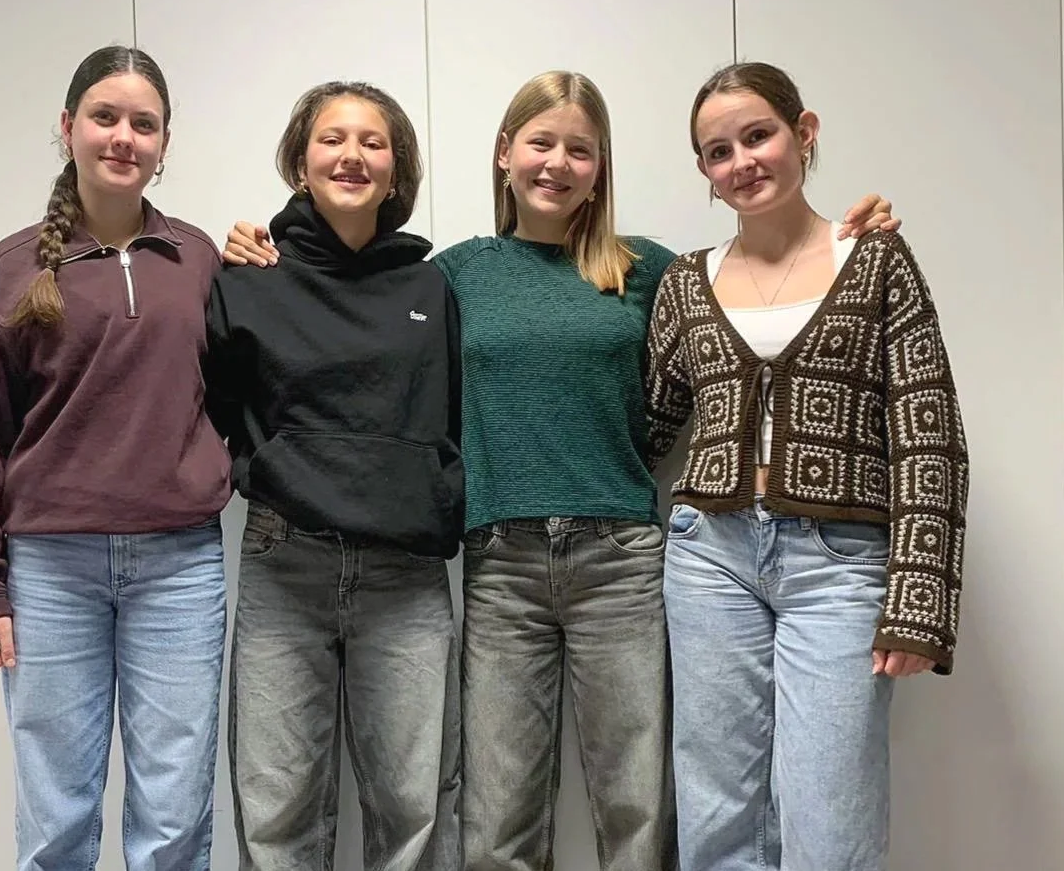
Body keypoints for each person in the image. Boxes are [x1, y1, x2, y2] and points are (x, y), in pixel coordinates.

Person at [222, 70, 898, 871]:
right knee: (496, 817)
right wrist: (261, 244)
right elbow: (357, 300)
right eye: (540, 143)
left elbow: (751, 300)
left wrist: (845, 239)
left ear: (599, 167)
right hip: (499, 563)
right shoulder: (452, 274)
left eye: (579, 149)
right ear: (505, 153)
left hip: (622, 562)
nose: (557, 164)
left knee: (636, 804)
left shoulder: (651, 271)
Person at [643, 61, 968, 870]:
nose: (741, 161)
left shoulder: (875, 259)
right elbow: (647, 424)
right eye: (717, 151)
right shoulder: (682, 282)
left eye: (757, 136)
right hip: (707, 557)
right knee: (714, 803)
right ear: (703, 171)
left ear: (803, 132)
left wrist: (919, 603)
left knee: (831, 805)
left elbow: (927, 432)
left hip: (841, 563)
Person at [0, 46, 232, 870]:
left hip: (180, 569)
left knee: (174, 816)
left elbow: (239, 396)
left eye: (144, 123)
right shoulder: (11, 266)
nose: (123, 137)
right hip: (48, 573)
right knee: (56, 820)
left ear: (164, 144)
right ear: (68, 127)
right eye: (105, 117)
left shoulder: (199, 261)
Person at [203, 80, 463, 871]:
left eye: (372, 143)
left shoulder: (429, 286)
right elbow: (215, 407)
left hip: (405, 574)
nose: (352, 155)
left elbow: (452, 411)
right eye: (332, 139)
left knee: (414, 810)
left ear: (395, 170)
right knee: (276, 812)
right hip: (287, 562)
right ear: (299, 162)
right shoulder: (247, 278)